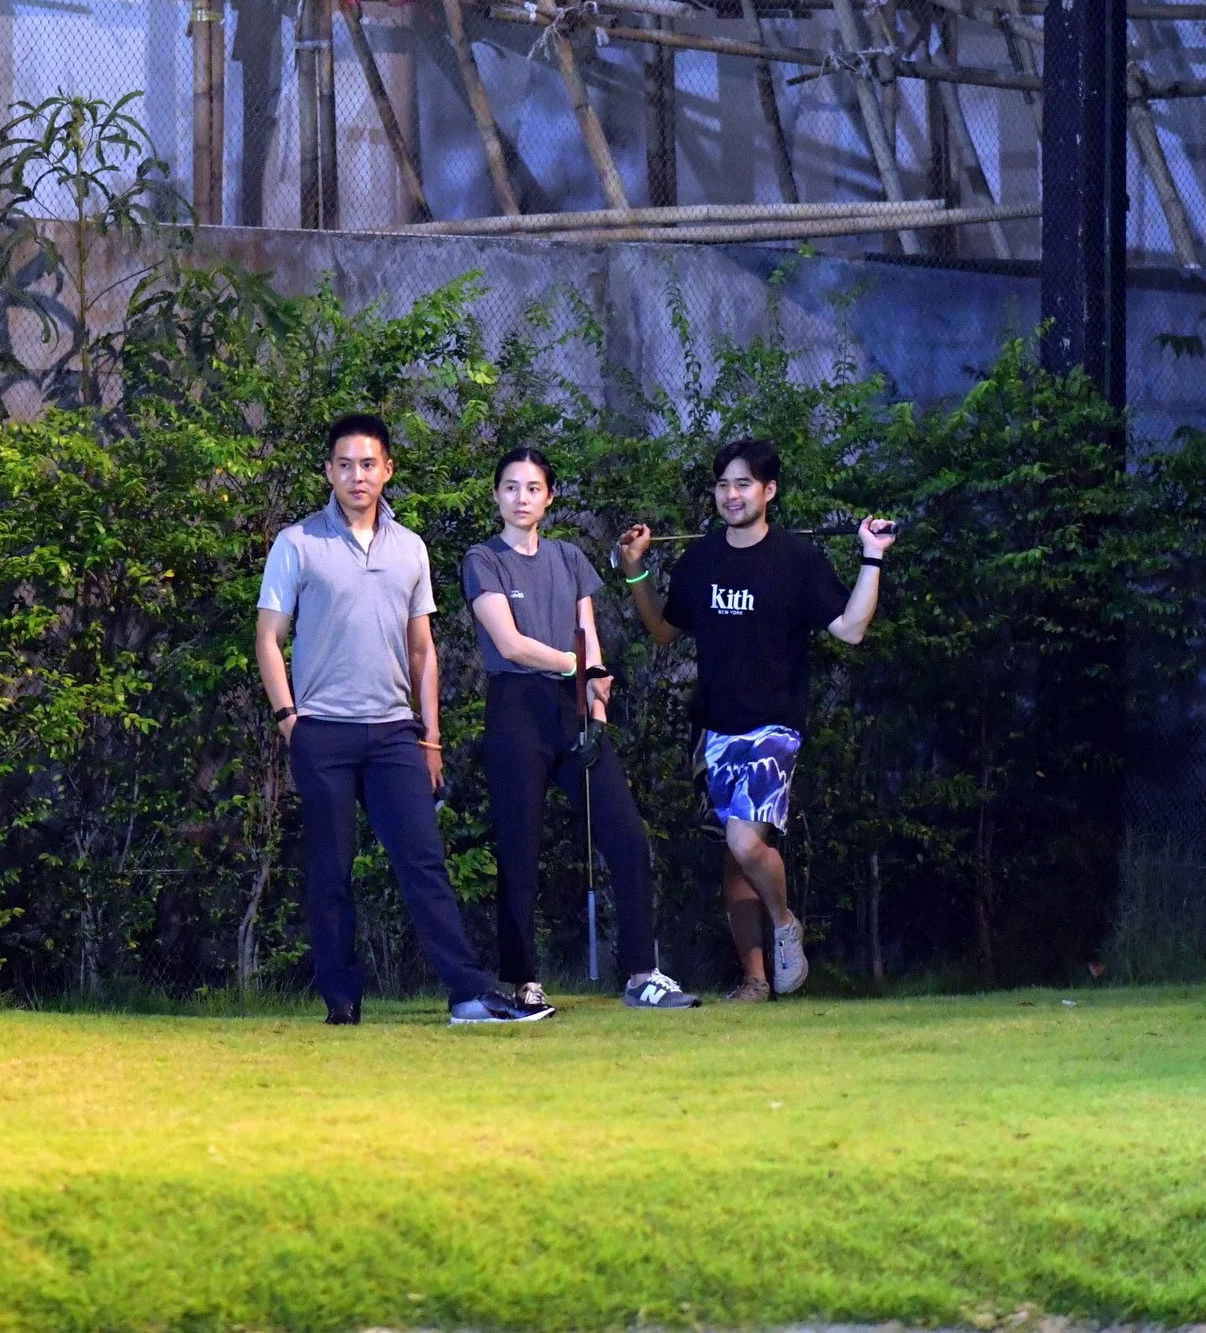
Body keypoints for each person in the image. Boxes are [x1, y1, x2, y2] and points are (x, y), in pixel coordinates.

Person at [256, 413, 549, 1026]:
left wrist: (431, 736)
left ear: (387, 469)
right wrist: (289, 719)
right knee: (330, 871)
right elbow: (268, 636)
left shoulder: (410, 547)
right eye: (344, 464)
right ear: (328, 472)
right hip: (323, 731)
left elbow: (423, 649)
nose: (356, 476)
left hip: (395, 732)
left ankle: (468, 994)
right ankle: (341, 1002)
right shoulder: (298, 542)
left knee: (423, 863)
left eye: (368, 464)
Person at [615, 438, 894, 1002]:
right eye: (722, 485)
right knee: (732, 856)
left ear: (769, 491)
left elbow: (851, 628)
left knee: (746, 842)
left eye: (743, 484)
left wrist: (872, 556)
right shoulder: (701, 560)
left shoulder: (797, 559)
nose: (731, 494)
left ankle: (786, 923)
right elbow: (665, 631)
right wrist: (634, 571)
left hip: (774, 727)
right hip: (714, 729)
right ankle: (755, 979)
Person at [464, 447, 700, 1012]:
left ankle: (642, 973)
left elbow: (587, 632)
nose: (522, 498)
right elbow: (511, 643)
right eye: (511, 487)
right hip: (517, 705)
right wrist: (578, 667)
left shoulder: (569, 558)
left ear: (549, 497)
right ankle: (524, 981)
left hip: (574, 710)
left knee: (625, 834)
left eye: (533, 488)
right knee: (520, 848)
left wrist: (596, 710)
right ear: (497, 494)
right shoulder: (482, 558)